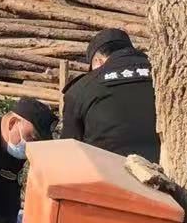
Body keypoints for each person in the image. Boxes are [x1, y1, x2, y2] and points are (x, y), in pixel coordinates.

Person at [60, 29, 160, 161]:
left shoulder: (82, 88)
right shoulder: (164, 74)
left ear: (98, 61)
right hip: (166, 169)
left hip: (107, 171)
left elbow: (68, 151)